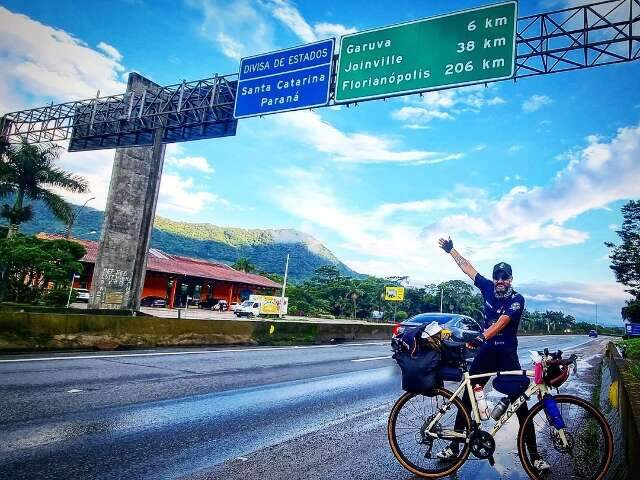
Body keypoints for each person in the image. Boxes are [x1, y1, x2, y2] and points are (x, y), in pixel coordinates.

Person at [436, 236, 550, 472]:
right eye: (497, 277)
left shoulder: (518, 299)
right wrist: (452, 251)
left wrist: (482, 336)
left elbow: (503, 322)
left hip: (507, 356)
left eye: (504, 277)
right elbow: (468, 268)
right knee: (466, 399)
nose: (499, 281)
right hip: (486, 354)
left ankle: (535, 456)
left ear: (510, 280)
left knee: (521, 406)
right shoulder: (486, 287)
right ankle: (454, 448)